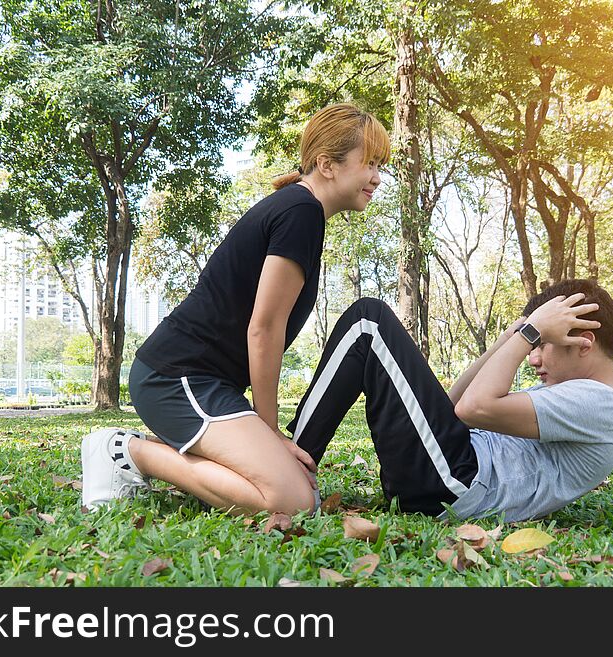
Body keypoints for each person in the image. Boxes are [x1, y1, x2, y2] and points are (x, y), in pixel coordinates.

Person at [81, 103, 391, 515]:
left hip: (208, 385)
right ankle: (127, 451)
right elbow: (263, 329)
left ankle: (147, 451)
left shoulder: (300, 209)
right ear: (327, 164)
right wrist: (271, 431)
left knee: (299, 489)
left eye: (379, 165)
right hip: (176, 378)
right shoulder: (301, 212)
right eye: (369, 163)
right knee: (292, 501)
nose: (376, 177)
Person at [285, 278, 613, 522]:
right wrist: (509, 338)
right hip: (449, 471)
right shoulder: (573, 392)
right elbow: (456, 406)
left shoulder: (600, 404)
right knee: (367, 322)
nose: (533, 358)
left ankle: (289, 467)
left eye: (543, 345)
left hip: (455, 483)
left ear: (584, 344)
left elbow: (475, 408)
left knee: (368, 322)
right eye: (536, 345)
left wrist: (529, 334)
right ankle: (291, 462)